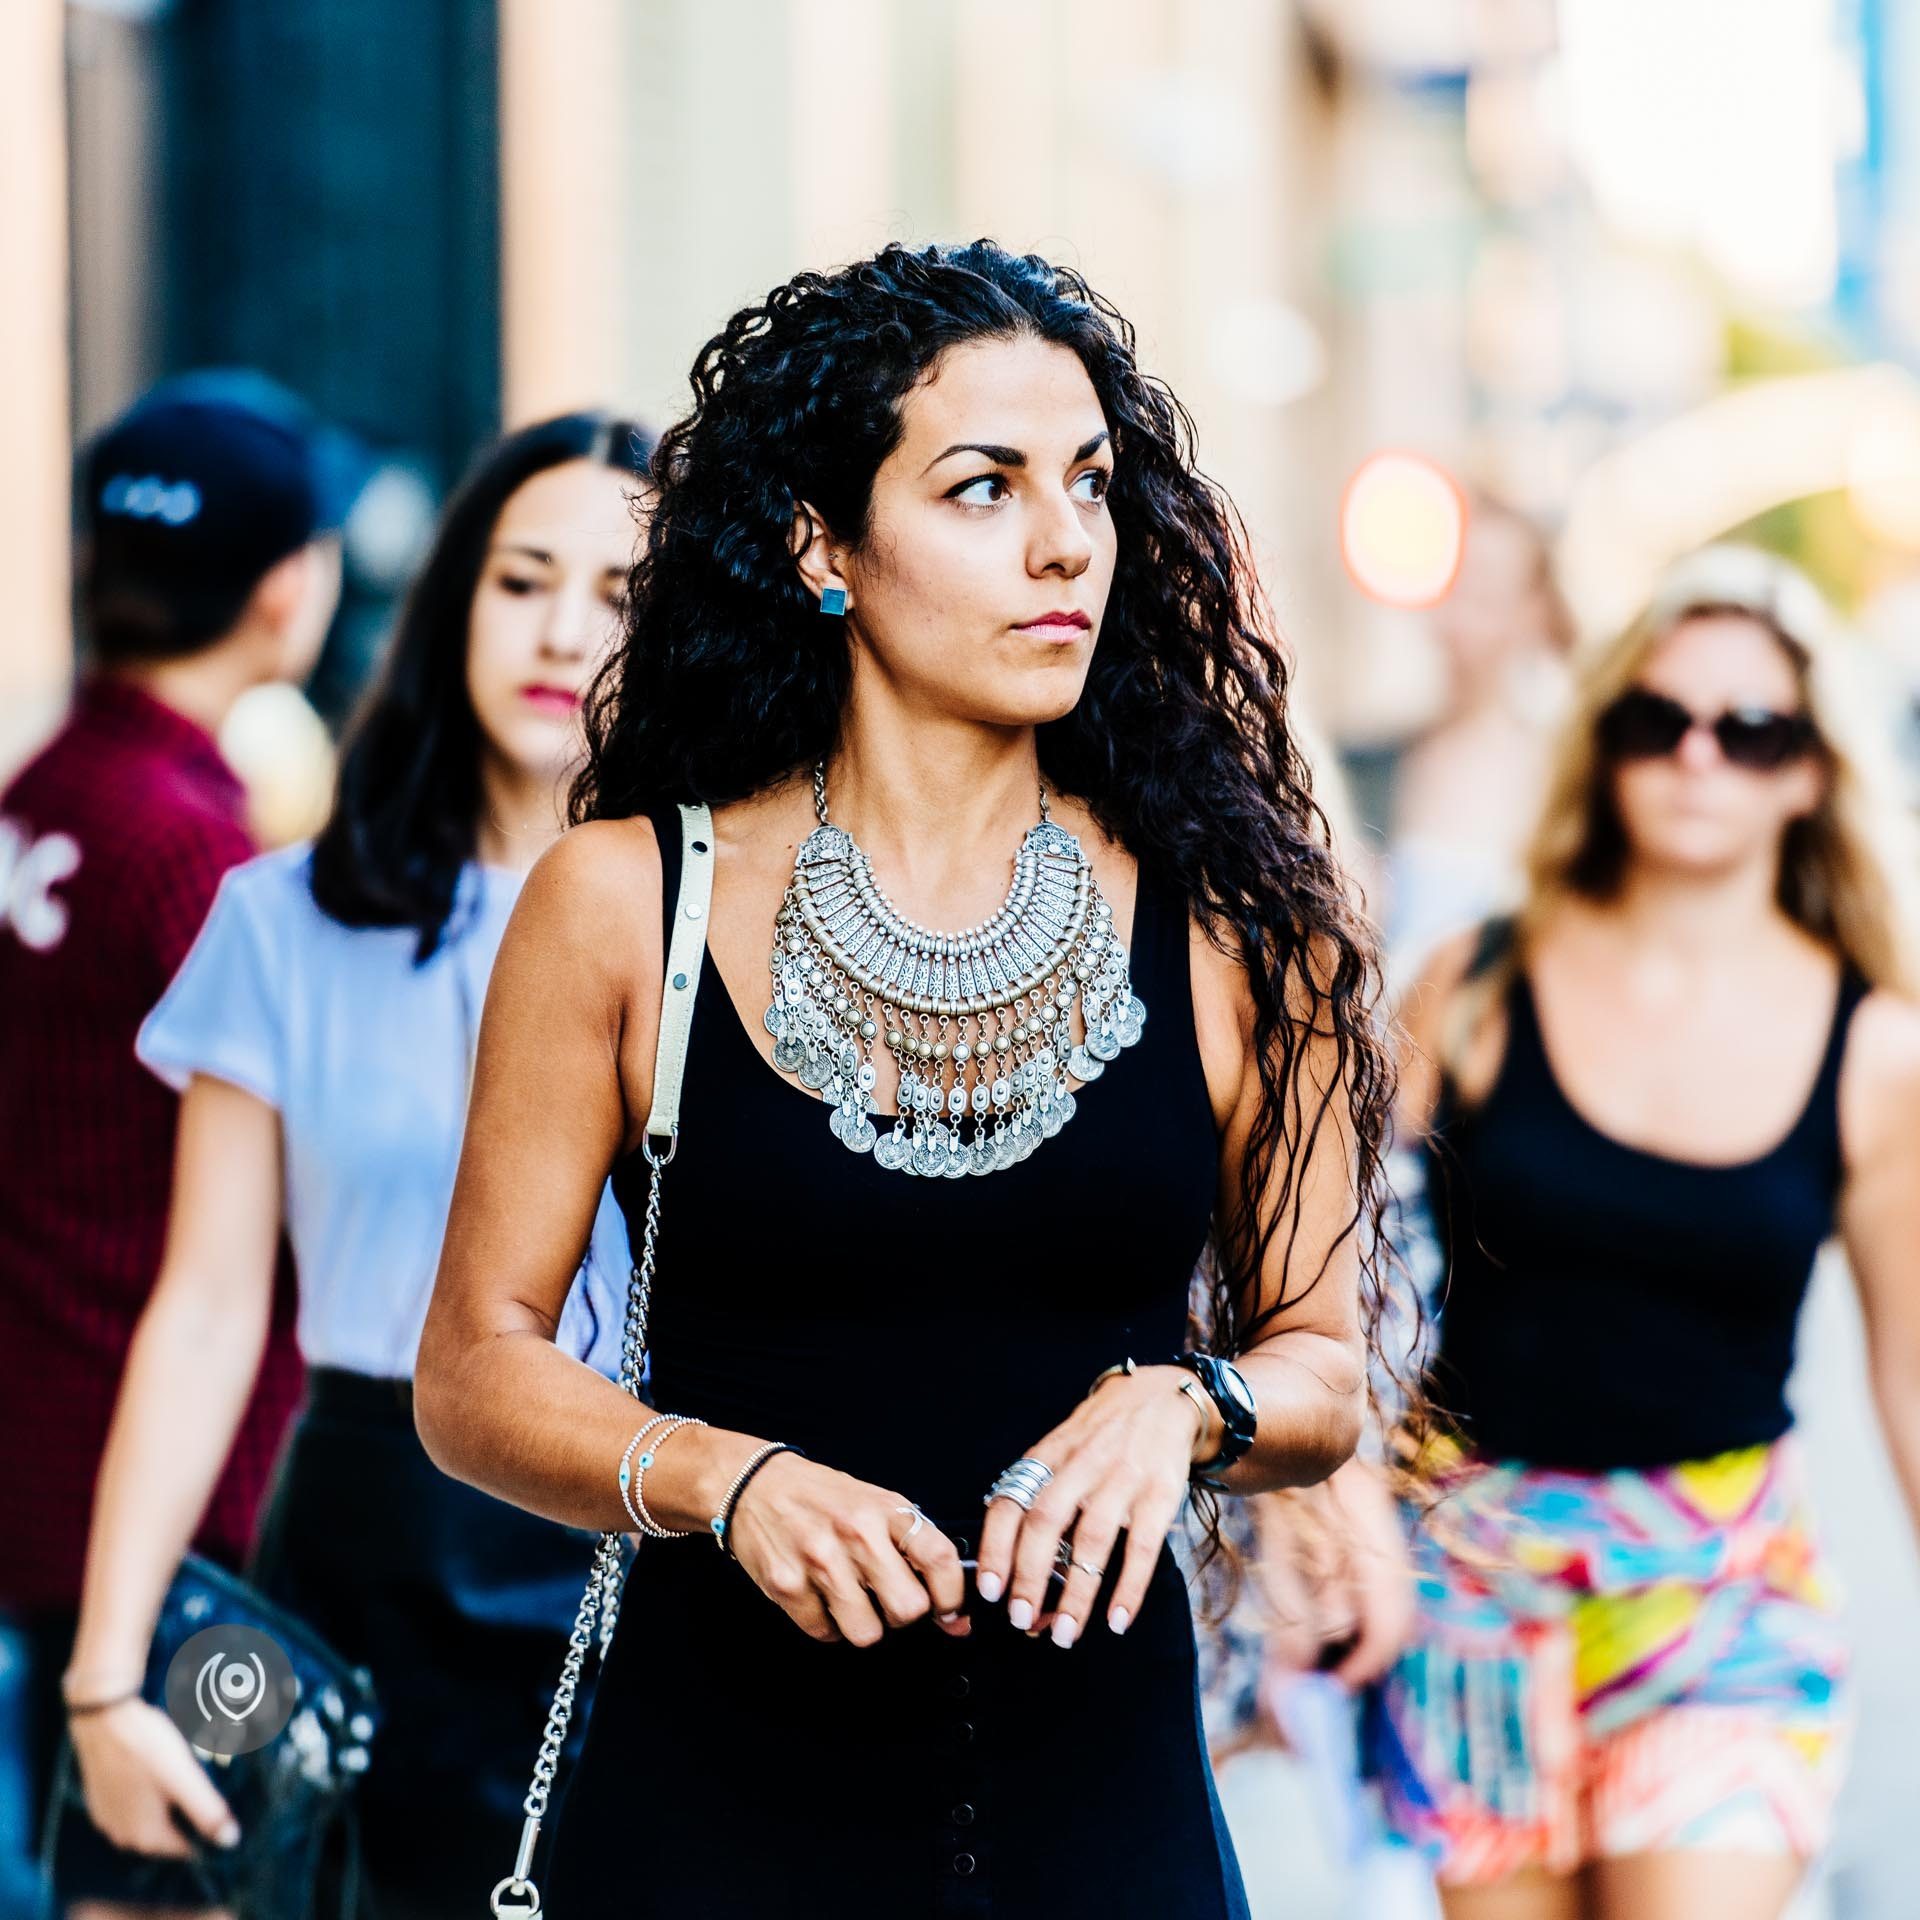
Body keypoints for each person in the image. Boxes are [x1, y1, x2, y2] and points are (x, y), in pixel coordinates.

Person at [412, 239, 1405, 1919]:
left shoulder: (1242, 922)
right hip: (712, 1831)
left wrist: (1188, 1401)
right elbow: (471, 1372)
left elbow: (1323, 1367)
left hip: (1113, 1835)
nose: (1063, 541)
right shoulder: (622, 902)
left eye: (1089, 481)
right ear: (821, 543)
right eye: (982, 487)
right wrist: (722, 1478)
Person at [59, 413, 655, 1920]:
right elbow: (203, 1312)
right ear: (453, 597)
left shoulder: (741, 931)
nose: (563, 630)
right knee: (134, 1883)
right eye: (521, 580)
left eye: (620, 594)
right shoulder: (278, 921)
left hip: (642, 1546)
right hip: (350, 1540)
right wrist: (107, 1675)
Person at [1377, 545, 1920, 1920]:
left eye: (1750, 731)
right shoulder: (1478, 984)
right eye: (1653, 719)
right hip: (1477, 1588)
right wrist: (1330, 1491)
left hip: (1725, 1600)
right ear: (1604, 744)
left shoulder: (1875, 1053)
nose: (1695, 757)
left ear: (1810, 772)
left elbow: (1911, 1372)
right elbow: (1318, 1236)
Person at [0, 380, 346, 1917]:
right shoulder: (198, 856)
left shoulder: (44, 801)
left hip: (53, 1471)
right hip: (179, 1517)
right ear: (288, 589)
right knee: (175, 1886)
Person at [1386, 496, 1573, 982]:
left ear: (1535, 611)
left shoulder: (1556, 770)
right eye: (1451, 583)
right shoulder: (1386, 758)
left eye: (1483, 592)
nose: (1457, 612)